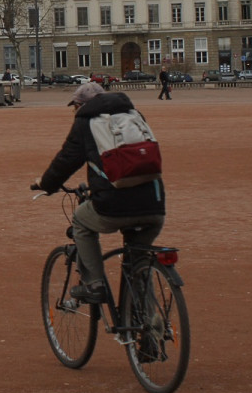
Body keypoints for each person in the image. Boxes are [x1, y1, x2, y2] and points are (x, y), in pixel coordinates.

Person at [32, 82, 166, 304]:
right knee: (138, 262)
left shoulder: (86, 121)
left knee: (81, 222)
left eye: (75, 107)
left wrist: (46, 184)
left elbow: (66, 161)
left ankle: (94, 284)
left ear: (81, 105)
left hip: (114, 205)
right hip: (154, 203)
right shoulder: (133, 114)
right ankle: (152, 327)